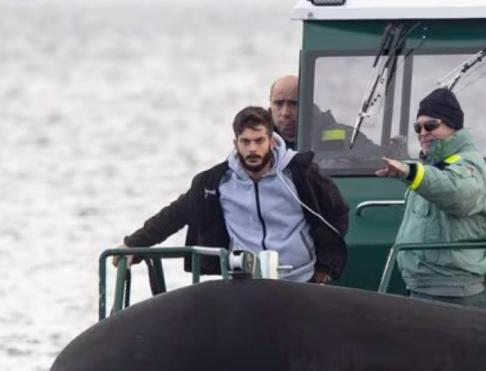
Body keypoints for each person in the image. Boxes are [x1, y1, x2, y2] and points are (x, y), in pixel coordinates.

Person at [119, 106, 348, 283]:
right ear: (235, 142)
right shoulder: (217, 182)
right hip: (244, 283)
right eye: (245, 141)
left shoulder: (300, 173)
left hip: (300, 280)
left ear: (271, 140)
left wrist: (325, 268)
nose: (252, 149)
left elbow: (337, 212)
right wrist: (133, 244)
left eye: (259, 141)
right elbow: (175, 215)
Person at [375, 88, 486, 309]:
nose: (422, 132)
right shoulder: (434, 166)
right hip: (427, 288)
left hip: (452, 294)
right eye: (418, 127)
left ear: (453, 127)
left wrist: (410, 172)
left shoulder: (468, 164)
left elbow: (456, 192)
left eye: (431, 126)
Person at [270, 75, 299, 149]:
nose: (285, 113)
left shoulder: (325, 132)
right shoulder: (255, 140)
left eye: (294, 104)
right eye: (279, 103)